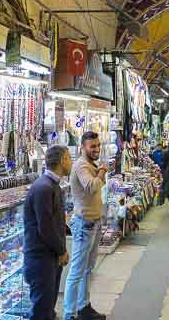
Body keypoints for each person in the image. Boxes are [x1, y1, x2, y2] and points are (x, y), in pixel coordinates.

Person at [64, 132, 108, 320]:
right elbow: (91, 186)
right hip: (84, 225)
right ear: (83, 147)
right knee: (76, 271)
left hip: (93, 223)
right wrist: (102, 172)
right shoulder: (82, 165)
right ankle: (69, 314)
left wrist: (100, 172)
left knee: (88, 269)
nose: (96, 149)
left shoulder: (91, 164)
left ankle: (84, 306)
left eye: (98, 145)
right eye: (92, 146)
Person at [24, 145, 71, 320]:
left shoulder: (52, 186)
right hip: (41, 260)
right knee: (41, 311)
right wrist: (62, 250)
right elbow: (46, 227)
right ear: (63, 160)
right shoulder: (44, 188)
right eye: (69, 158)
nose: (71, 162)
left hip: (49, 258)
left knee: (47, 308)